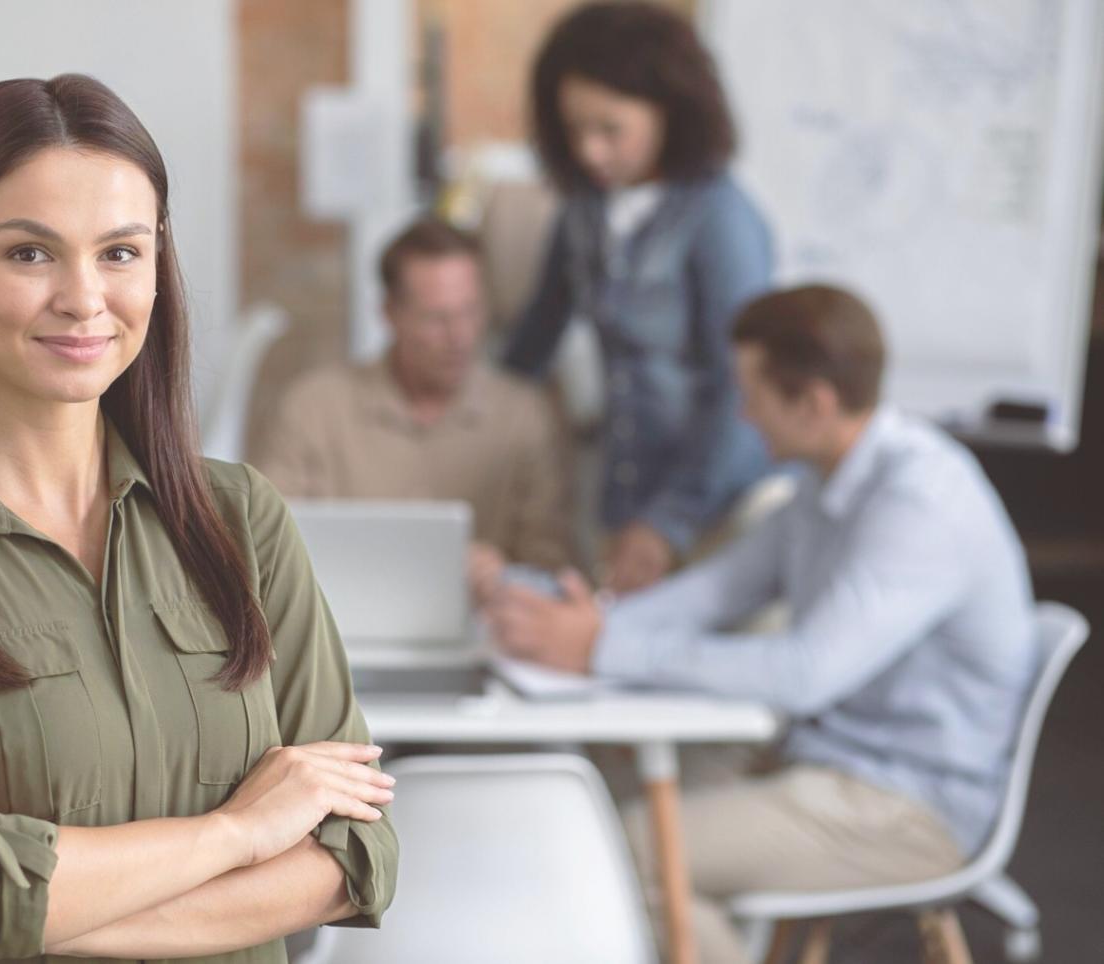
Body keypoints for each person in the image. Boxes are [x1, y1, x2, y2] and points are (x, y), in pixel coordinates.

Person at [0, 75, 397, 963]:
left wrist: (26, 902)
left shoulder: (242, 519)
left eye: (119, 252)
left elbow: (357, 854)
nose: (83, 298)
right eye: (30, 254)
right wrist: (243, 832)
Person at [489, 284, 1038, 963]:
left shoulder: (920, 504)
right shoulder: (823, 478)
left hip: (905, 808)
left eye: (751, 394)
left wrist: (601, 647)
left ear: (813, 402)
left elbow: (801, 674)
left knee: (632, 847)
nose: (742, 415)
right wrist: (585, 622)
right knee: (597, 806)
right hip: (825, 760)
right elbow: (717, 591)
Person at [505, 0, 773, 594]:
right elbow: (531, 342)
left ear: (671, 112)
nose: (588, 152)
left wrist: (667, 523)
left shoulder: (720, 219)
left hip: (712, 512)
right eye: (573, 129)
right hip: (621, 504)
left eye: (609, 130)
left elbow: (744, 392)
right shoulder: (584, 211)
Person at [255, 218, 573, 599]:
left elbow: (555, 564)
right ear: (390, 313)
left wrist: (505, 575)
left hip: (484, 633)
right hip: (343, 634)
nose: (459, 337)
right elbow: (262, 548)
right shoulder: (314, 407)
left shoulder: (525, 417)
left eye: (470, 312)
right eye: (436, 318)